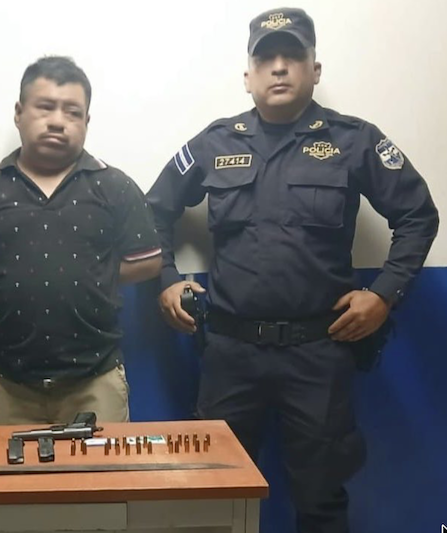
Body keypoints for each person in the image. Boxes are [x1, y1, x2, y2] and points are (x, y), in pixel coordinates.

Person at [147, 8, 438, 533]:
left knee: (321, 500)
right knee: (212, 498)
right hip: (231, 355)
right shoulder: (216, 142)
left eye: (292, 56)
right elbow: (152, 212)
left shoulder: (354, 140)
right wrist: (167, 278)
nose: (279, 68)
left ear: (315, 70)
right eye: (266, 59)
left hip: (318, 354)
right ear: (248, 76)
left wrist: (384, 294)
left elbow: (418, 215)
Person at [0, 56, 161, 425]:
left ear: (86, 122)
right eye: (45, 107)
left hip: (96, 381)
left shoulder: (114, 186)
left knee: (100, 467)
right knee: (5, 467)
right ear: (19, 113)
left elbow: (148, 261)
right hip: (6, 383)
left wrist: (94, 275)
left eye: (72, 112)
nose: (57, 120)